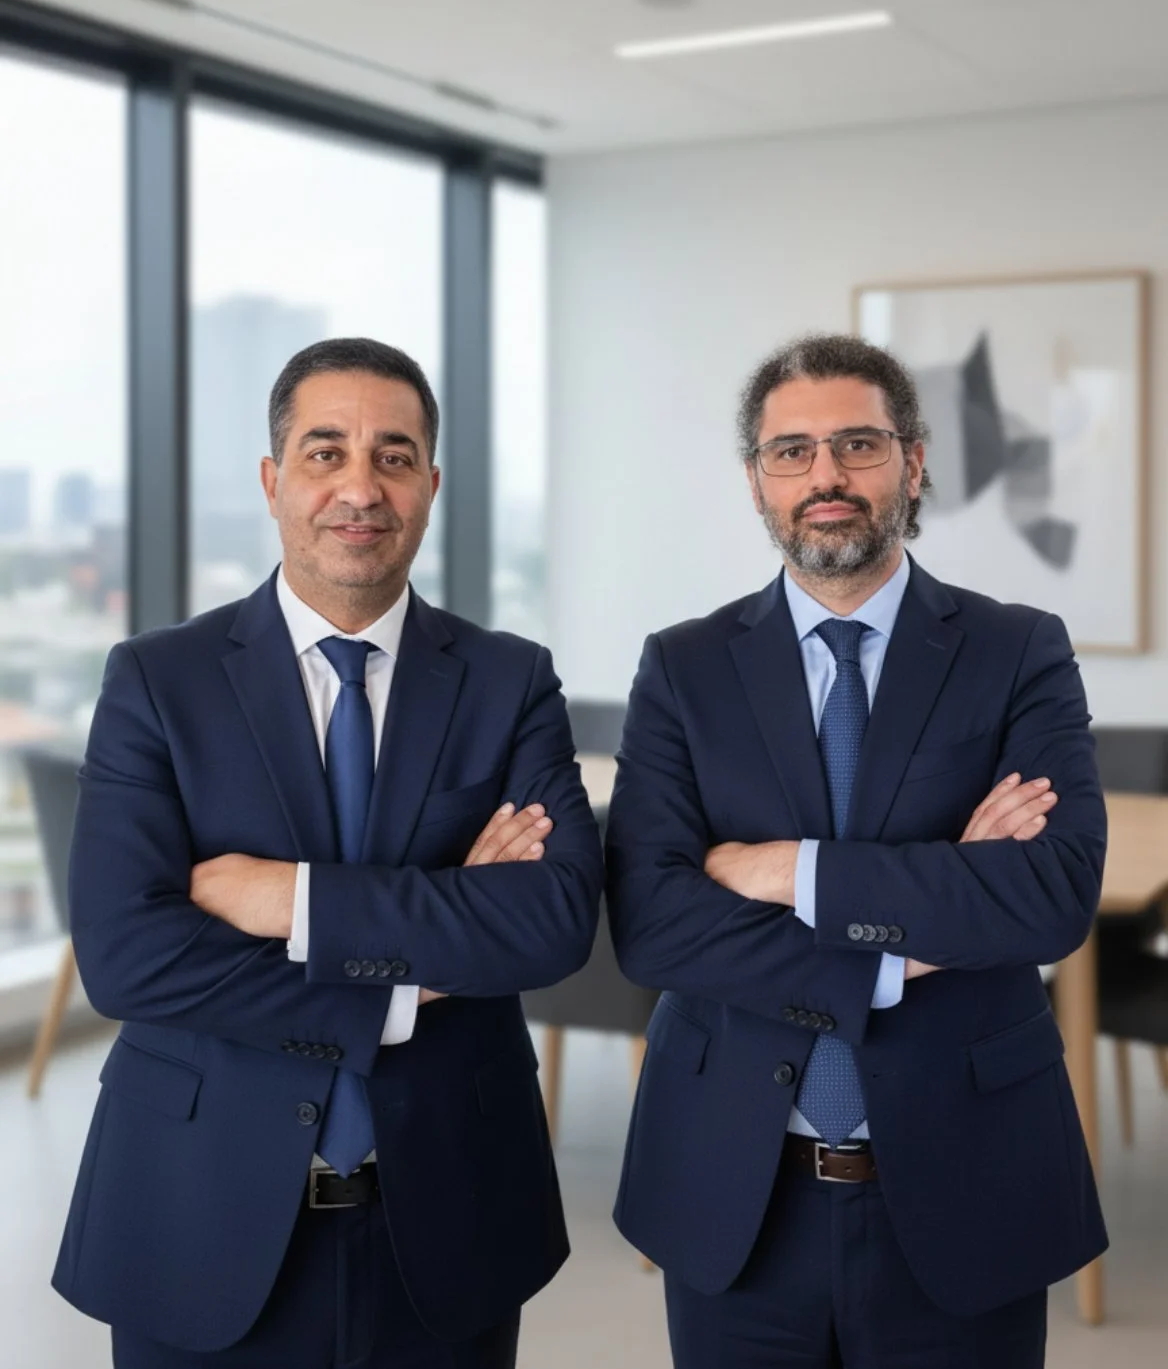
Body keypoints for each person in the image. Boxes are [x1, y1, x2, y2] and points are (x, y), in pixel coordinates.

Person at [54, 337, 602, 1369]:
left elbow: (553, 917)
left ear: (430, 485)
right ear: (272, 480)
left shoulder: (507, 679)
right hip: (197, 1206)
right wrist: (417, 957)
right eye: (324, 452)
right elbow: (128, 952)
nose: (361, 486)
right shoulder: (157, 680)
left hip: (449, 1208)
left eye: (394, 456)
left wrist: (284, 898)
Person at [606, 333, 1107, 1369]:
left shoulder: (1018, 649)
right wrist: (912, 930)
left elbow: (1050, 894)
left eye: (856, 443)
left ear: (913, 462)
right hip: (734, 1185)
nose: (824, 474)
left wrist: (784, 870)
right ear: (756, 479)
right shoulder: (683, 665)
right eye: (791, 450)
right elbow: (654, 924)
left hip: (970, 1178)